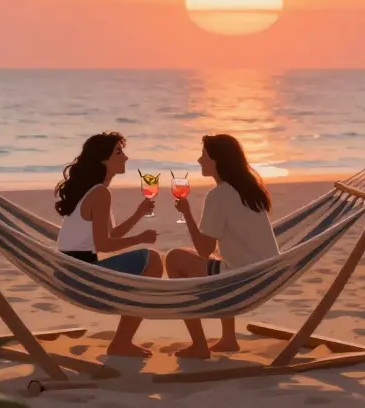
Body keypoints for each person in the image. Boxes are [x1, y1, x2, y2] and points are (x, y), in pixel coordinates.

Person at [168, 134, 281, 359]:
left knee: (174, 259)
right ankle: (228, 339)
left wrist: (187, 213)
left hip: (241, 280)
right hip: (264, 275)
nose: (200, 160)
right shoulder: (250, 190)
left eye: (204, 156)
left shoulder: (219, 195)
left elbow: (203, 250)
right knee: (222, 261)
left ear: (218, 160)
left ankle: (199, 345)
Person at [54, 132, 162, 357]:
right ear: (103, 159)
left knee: (147, 261)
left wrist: (138, 214)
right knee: (152, 260)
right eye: (119, 152)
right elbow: (104, 245)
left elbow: (111, 234)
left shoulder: (91, 191)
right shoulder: (100, 193)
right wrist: (140, 239)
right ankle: (122, 341)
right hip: (82, 276)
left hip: (72, 273)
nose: (125, 158)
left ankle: (125, 328)